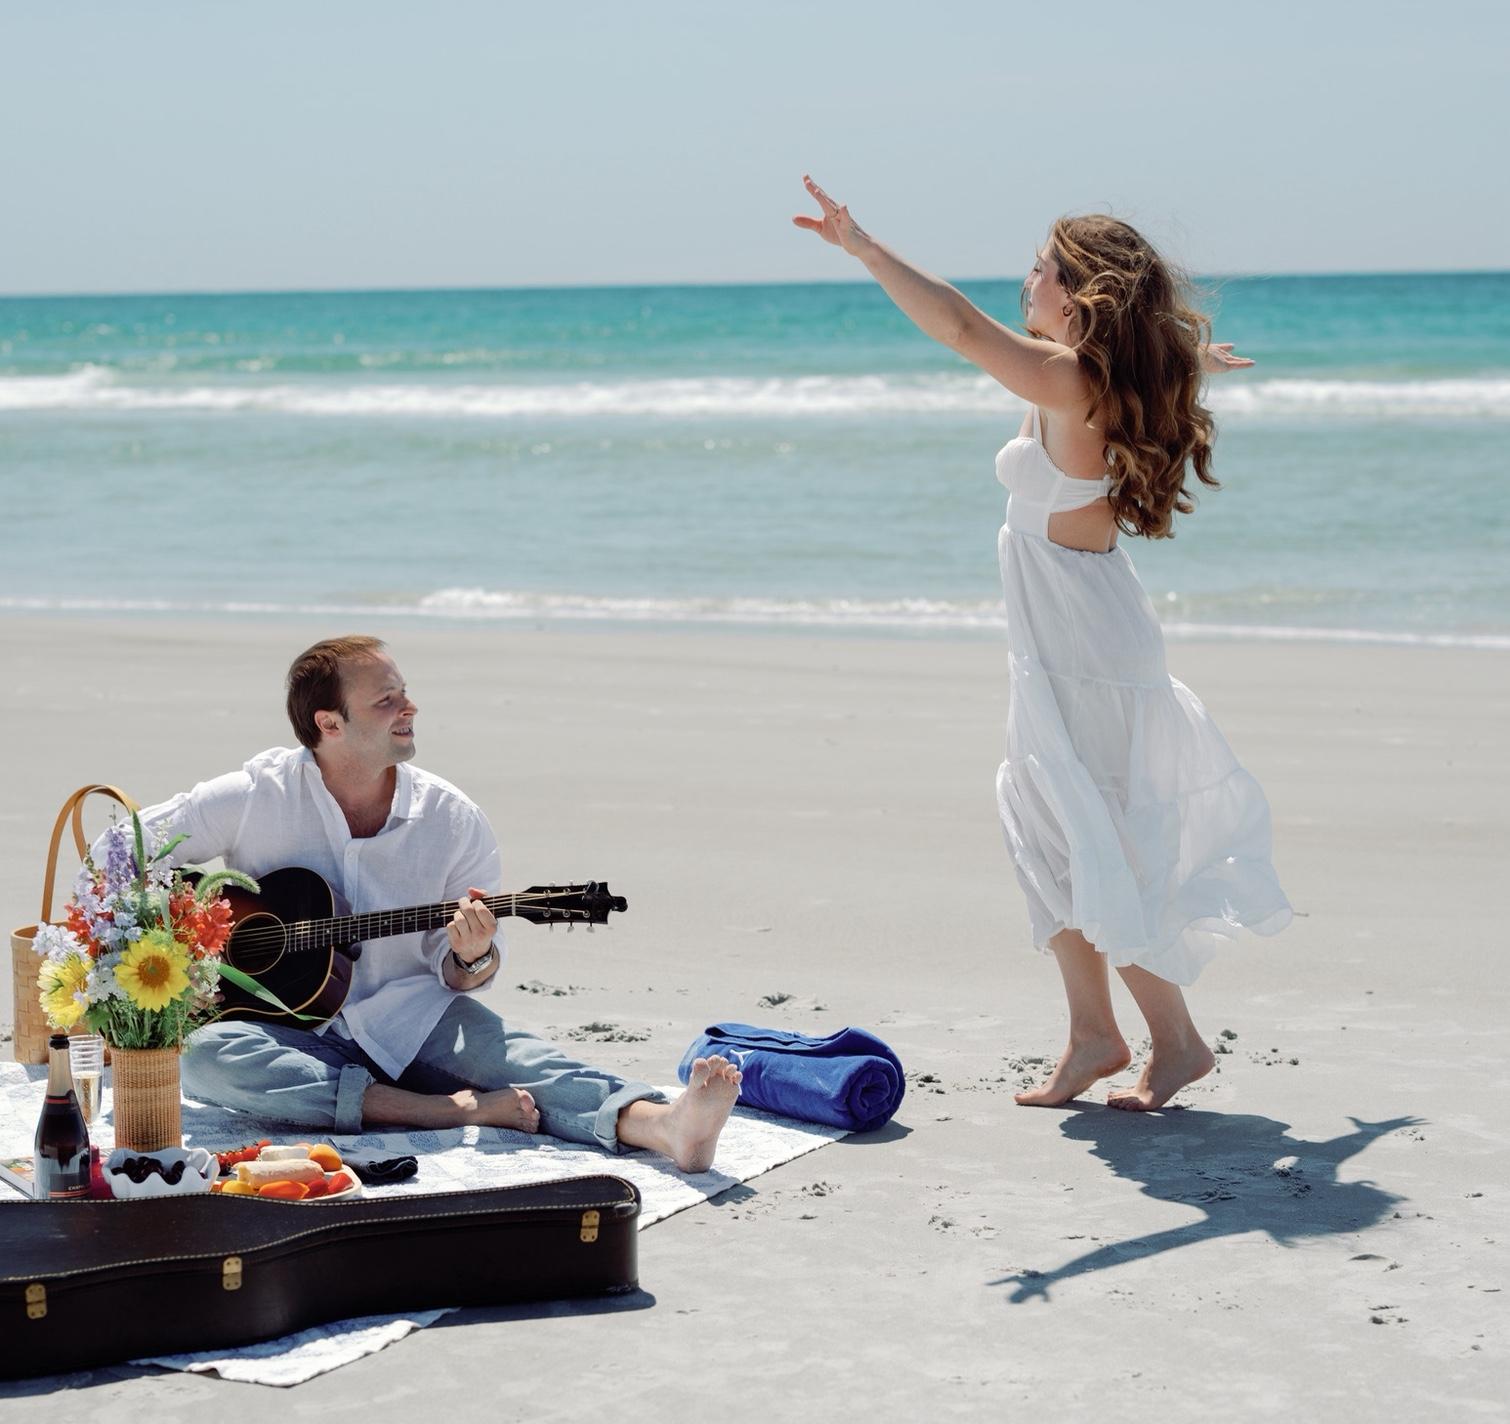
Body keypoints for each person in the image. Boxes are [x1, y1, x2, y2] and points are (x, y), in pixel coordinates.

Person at [794, 177, 1291, 1111]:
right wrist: (1186, 361)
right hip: (1072, 638)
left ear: (1081, 292)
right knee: (1051, 827)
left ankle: (1171, 1041)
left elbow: (959, 327)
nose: (1027, 281)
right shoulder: (1110, 376)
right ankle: (1097, 1034)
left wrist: (864, 248)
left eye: (1041, 268)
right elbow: (1132, 361)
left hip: (1082, 650)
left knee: (1090, 836)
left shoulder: (1070, 381)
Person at [115, 635, 742, 1172]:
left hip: (413, 1021)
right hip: (277, 1028)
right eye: (385, 699)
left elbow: (469, 974)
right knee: (201, 1055)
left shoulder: (451, 819)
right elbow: (120, 853)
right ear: (329, 724)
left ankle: (667, 1127)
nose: (409, 708)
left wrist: (472, 955)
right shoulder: (256, 794)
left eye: (405, 693)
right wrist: (186, 940)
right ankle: (436, 1111)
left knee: (523, 1061)